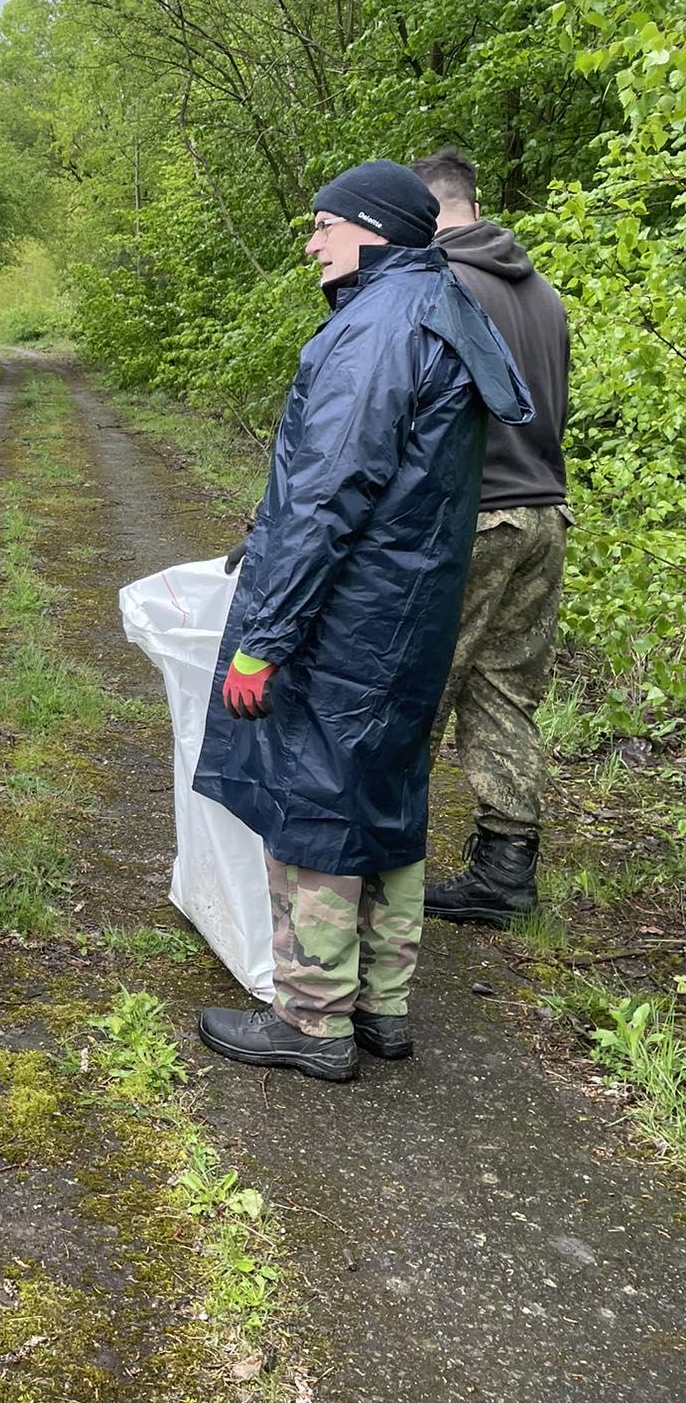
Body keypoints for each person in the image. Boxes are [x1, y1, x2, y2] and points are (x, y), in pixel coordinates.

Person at [194, 161, 532, 1081]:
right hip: (412, 611)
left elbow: (324, 499)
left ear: (372, 230)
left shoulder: (378, 326)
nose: (311, 243)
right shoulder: (444, 308)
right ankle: (383, 1006)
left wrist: (264, 637)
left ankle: (311, 1023)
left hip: (350, 614)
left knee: (317, 799)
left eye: (323, 226)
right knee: (387, 790)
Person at [411, 151, 571, 927]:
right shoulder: (544, 295)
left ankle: (377, 871)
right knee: (504, 690)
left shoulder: (440, 286)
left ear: (427, 210)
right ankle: (506, 870)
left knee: (415, 686)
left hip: (472, 516)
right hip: (544, 513)